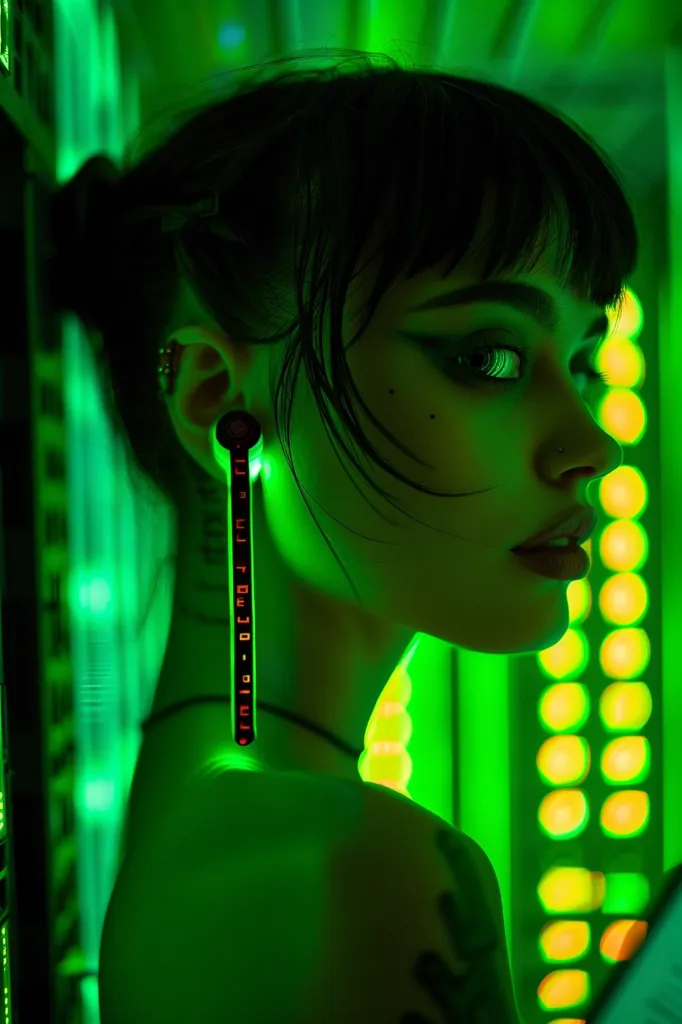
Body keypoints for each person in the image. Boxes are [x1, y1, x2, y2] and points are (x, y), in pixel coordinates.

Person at [50, 48, 638, 1023]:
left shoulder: (213, 819)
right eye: (489, 356)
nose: (591, 444)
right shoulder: (358, 868)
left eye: (581, 361)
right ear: (218, 400)